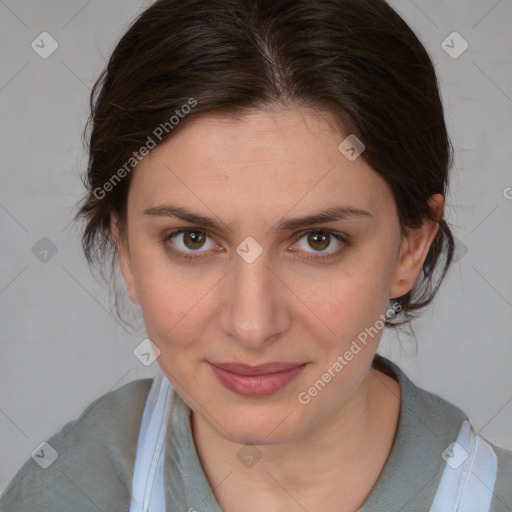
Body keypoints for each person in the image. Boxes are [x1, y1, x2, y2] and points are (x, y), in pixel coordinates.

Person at [1, 0, 511, 511]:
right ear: (125, 249)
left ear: (411, 246)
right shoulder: (61, 491)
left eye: (318, 240)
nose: (252, 325)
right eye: (192, 239)